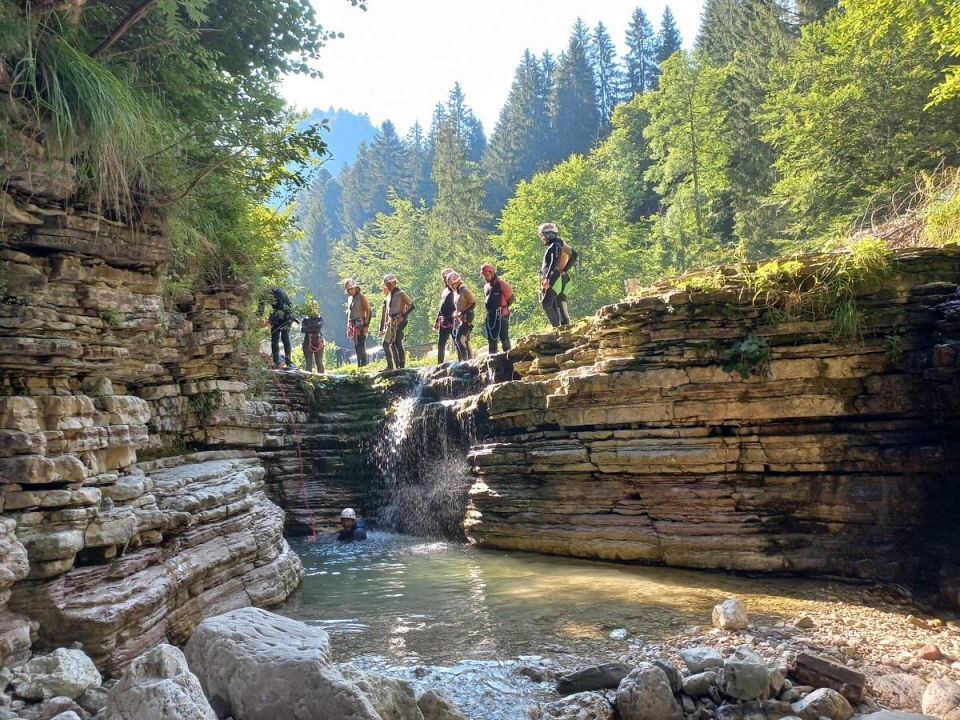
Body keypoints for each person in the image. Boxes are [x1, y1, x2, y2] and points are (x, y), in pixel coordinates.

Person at [378, 273, 415, 370]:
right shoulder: (390, 295)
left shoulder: (401, 293)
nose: (389, 286)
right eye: (387, 285)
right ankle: (391, 366)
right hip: (392, 322)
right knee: (386, 344)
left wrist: (403, 315)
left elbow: (411, 305)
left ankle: (402, 367)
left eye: (390, 284)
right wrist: (383, 326)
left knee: (398, 343)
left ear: (394, 283)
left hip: (400, 321)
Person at [538, 222, 571, 328]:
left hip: (553, 277)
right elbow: (574, 254)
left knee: (546, 304)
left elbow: (554, 261)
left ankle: (557, 328)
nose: (542, 237)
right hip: (554, 276)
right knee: (554, 303)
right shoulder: (556, 244)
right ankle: (559, 327)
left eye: (543, 235)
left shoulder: (555, 245)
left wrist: (547, 278)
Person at [481, 263, 513, 354]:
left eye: (486, 275)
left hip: (501, 314)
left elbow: (511, 298)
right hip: (491, 316)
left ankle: (508, 358)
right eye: (484, 275)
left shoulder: (501, 284)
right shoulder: (486, 286)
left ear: (492, 273)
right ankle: (492, 361)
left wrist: (504, 308)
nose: (485, 277)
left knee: (504, 337)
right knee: (492, 340)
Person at [448, 271, 475, 361]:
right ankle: (469, 360)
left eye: (452, 284)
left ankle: (465, 361)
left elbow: (473, 304)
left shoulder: (464, 290)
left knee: (459, 340)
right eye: (450, 285)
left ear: (457, 281)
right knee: (466, 341)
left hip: (467, 317)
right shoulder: (457, 292)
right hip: (460, 319)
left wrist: (462, 312)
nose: (451, 287)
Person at [344, 278, 371, 368]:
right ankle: (359, 366)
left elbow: (368, 311)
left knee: (361, 345)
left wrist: (366, 325)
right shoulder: (350, 299)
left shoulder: (361, 297)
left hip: (361, 323)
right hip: (353, 324)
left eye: (351, 289)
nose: (350, 291)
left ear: (355, 288)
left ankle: (364, 366)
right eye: (348, 290)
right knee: (356, 346)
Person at [266, 287, 296, 368]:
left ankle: (288, 362)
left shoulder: (278, 293)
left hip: (287, 315)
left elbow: (281, 310)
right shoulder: (263, 296)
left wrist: (270, 321)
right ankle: (276, 362)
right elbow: (260, 310)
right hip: (277, 314)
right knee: (274, 337)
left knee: (284, 337)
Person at [434, 268, 456, 364]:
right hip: (444, 321)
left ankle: (464, 361)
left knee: (458, 342)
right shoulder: (445, 290)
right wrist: (436, 321)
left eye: (444, 278)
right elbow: (441, 306)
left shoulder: (456, 290)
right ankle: (439, 364)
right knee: (441, 344)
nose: (443, 280)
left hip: (453, 320)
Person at [300, 301, 325, 374]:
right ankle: (308, 379)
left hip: (318, 340)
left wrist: (308, 328)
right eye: (311, 308)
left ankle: (322, 378)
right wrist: (314, 327)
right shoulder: (304, 319)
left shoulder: (320, 318)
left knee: (319, 361)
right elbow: (302, 329)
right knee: (308, 362)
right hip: (308, 341)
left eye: (314, 308)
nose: (312, 309)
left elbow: (319, 326)